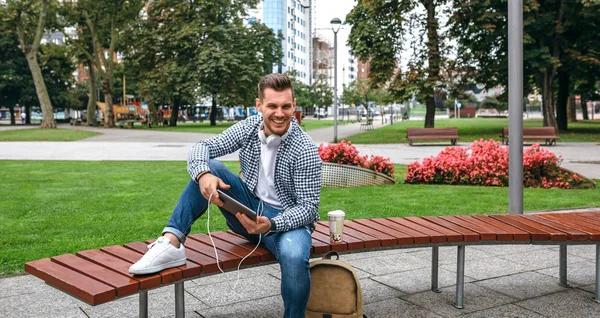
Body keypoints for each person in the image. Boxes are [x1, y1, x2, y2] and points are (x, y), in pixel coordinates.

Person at [129, 73, 322, 317]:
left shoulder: (305, 149)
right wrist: (202, 175)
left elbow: (308, 208)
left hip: (287, 224)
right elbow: (203, 147)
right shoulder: (250, 128)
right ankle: (172, 242)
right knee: (212, 168)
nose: (280, 113)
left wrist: (272, 223)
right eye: (272, 106)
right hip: (248, 213)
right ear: (259, 106)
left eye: (286, 106)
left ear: (294, 106)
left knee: (295, 256)